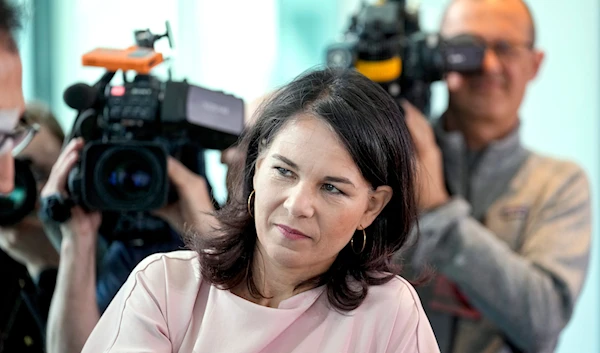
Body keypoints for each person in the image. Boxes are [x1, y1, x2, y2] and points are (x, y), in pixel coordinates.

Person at [75, 67, 441, 352]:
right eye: (284, 171)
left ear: (371, 207)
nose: (297, 205)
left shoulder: (389, 312)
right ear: (255, 169)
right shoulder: (165, 287)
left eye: (331, 188)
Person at [396, 0, 592, 352]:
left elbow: (543, 323)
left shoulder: (559, 184)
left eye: (505, 48)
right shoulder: (390, 160)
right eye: (467, 47)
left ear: (535, 64)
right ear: (438, 58)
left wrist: (438, 210)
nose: (487, 65)